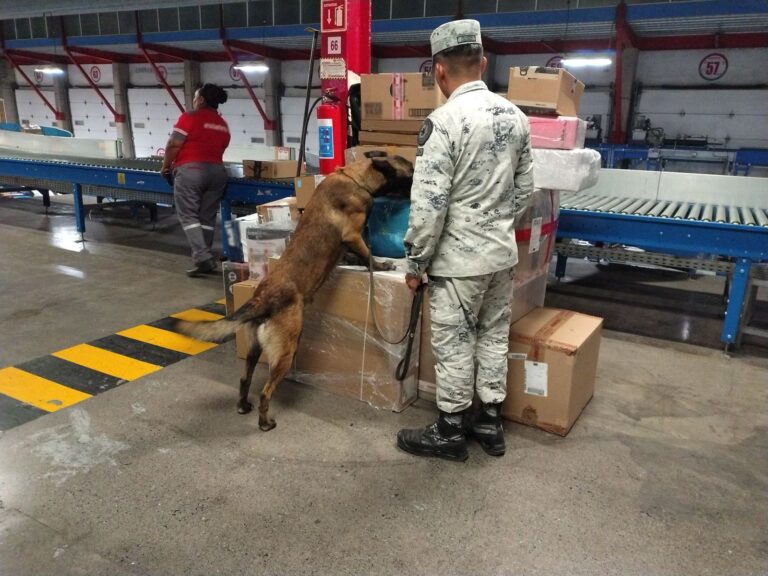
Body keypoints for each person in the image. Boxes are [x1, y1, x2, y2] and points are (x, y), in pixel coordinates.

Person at [397, 20, 534, 462]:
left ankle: (451, 431)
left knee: (455, 345)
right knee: (493, 336)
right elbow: (525, 189)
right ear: (484, 62)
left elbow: (429, 205)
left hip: (457, 263)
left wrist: (416, 265)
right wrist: (495, 226)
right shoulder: (515, 117)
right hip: (500, 256)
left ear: (438, 71)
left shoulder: (443, 122)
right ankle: (490, 423)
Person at [161, 83, 231, 277]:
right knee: (207, 217)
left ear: (201, 100)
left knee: (188, 215)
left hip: (191, 171)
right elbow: (221, 148)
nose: (193, 101)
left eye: (194, 97)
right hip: (217, 173)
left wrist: (165, 166)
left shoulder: (189, 117)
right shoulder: (222, 124)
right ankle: (205, 259)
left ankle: (202, 256)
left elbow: (174, 144)